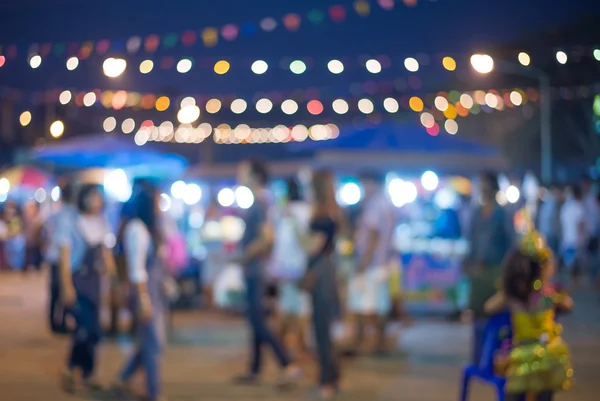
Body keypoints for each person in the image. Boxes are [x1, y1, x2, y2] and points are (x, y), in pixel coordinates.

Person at [233, 159, 300, 387]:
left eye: (243, 171)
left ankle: (286, 363)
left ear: (254, 176)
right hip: (256, 269)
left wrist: (245, 255)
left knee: (259, 321)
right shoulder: (262, 201)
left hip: (256, 270)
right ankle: (255, 369)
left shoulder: (260, 203)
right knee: (255, 320)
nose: (238, 174)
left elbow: (267, 238)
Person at [485, 231, 573, 401]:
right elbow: (568, 304)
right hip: (549, 357)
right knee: (545, 389)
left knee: (516, 392)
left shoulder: (512, 297)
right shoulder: (549, 296)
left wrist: (506, 292)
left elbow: (489, 308)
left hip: (521, 359)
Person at [58, 184, 116, 393]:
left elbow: (107, 256)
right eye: (94, 196)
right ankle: (73, 369)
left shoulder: (102, 223)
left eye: (100, 197)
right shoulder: (70, 222)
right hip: (78, 280)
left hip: (95, 282)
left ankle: (86, 372)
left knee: (95, 331)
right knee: (85, 327)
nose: (97, 201)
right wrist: (66, 285)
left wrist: (113, 280)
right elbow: (64, 258)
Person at [112, 186, 168, 401]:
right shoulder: (136, 228)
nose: (160, 206)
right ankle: (154, 392)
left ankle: (123, 378)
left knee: (149, 342)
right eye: (157, 202)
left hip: (152, 290)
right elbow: (137, 268)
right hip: (143, 292)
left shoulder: (150, 228)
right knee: (153, 342)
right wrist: (144, 299)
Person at [294, 170, 341, 399]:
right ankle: (331, 375)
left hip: (320, 273)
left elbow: (312, 247)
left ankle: (327, 379)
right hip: (327, 271)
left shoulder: (322, 215)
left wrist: (294, 227)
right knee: (323, 329)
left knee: (321, 329)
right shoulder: (331, 212)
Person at [465, 172, 514, 363]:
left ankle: (495, 357)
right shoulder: (477, 213)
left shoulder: (503, 214)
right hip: (479, 272)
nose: (483, 190)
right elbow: (471, 241)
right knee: (477, 315)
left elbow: (511, 243)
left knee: (496, 315)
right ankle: (478, 357)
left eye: (486, 186)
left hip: (497, 272)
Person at [346, 171, 396, 356]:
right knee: (378, 304)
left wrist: (364, 262)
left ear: (374, 183)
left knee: (366, 305)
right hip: (381, 261)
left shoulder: (375, 205)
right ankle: (378, 342)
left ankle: (367, 341)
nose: (363, 188)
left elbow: (374, 235)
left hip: (372, 262)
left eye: (365, 183)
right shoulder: (385, 203)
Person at [271, 177, 311, 358]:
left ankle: (293, 347)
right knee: (294, 308)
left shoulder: (297, 211)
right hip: (294, 266)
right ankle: (293, 346)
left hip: (291, 266)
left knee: (293, 308)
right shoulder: (297, 211)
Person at [45, 182, 76, 334]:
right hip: (64, 258)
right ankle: (62, 321)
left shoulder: (56, 213)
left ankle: (53, 322)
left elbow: (43, 229)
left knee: (54, 291)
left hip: (53, 257)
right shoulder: (71, 214)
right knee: (64, 288)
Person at [559, 185, 586, 287]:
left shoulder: (565, 207)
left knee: (569, 264)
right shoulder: (578, 207)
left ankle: (569, 284)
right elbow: (580, 225)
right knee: (576, 266)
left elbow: (561, 224)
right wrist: (582, 239)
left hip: (566, 240)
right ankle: (574, 284)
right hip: (576, 241)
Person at [538, 184, 562, 256]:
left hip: (548, 234)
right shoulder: (551, 204)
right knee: (552, 256)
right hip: (551, 235)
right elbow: (550, 221)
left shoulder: (547, 203)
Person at [2, 201, 25, 270]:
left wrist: (11, 233)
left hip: (16, 242)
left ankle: (16, 268)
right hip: (9, 241)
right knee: (10, 256)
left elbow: (17, 231)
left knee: (16, 257)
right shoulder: (6, 220)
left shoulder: (16, 220)